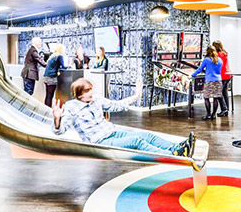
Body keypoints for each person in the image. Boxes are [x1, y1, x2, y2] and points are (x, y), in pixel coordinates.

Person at [53, 78, 195, 157]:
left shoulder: (96, 99)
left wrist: (136, 96)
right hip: (100, 141)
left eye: (91, 89)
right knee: (136, 141)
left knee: (147, 135)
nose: (91, 93)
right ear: (79, 94)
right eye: (87, 91)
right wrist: (57, 119)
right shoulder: (71, 108)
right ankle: (173, 154)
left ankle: (177, 147)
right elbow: (59, 131)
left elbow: (116, 105)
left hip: (112, 132)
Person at [191, 45, 225, 120]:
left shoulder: (206, 60)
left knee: (206, 98)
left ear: (207, 51)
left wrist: (192, 75)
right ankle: (213, 115)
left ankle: (208, 114)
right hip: (218, 81)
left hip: (209, 81)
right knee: (216, 98)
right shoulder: (219, 60)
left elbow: (199, 69)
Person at [212, 40, 231, 116]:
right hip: (228, 74)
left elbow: (219, 66)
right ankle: (226, 109)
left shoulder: (219, 54)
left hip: (222, 75)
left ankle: (224, 109)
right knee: (224, 92)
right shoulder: (224, 53)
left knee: (218, 93)